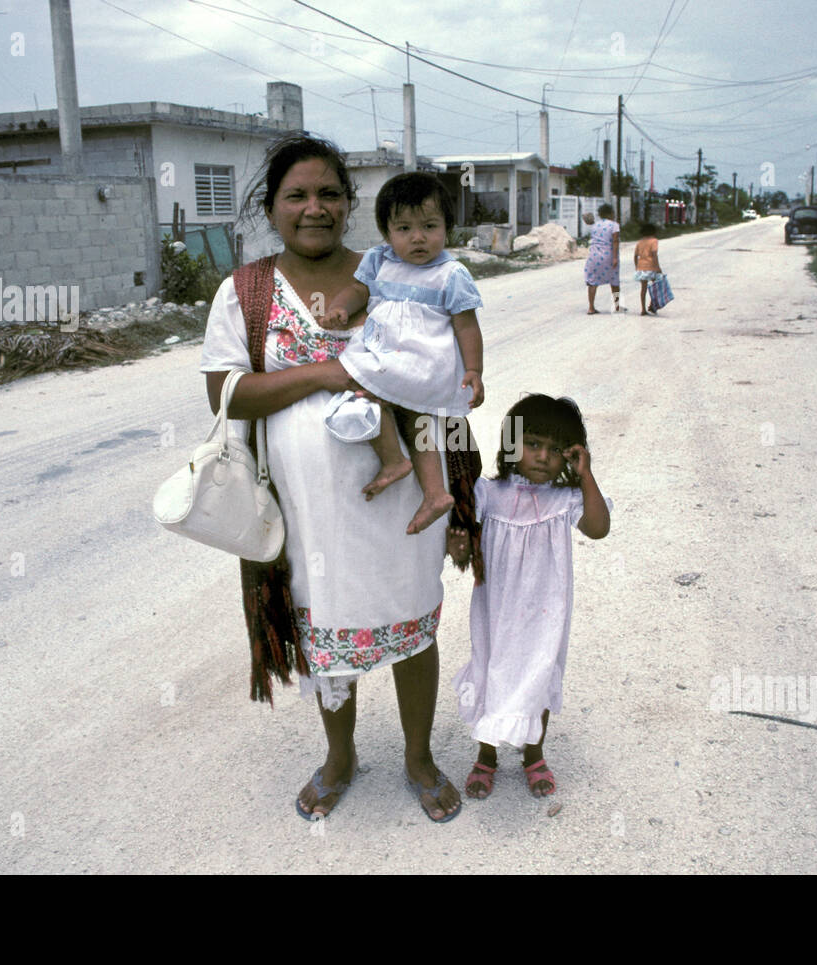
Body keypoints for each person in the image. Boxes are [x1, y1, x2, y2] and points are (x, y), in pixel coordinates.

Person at [198, 135, 469, 823]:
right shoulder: (246, 292)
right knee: (326, 634)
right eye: (297, 195)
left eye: (328, 194)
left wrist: (460, 495)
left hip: (402, 497)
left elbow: (445, 380)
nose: (314, 208)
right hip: (307, 514)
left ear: (350, 205)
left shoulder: (396, 271)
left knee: (413, 622)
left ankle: (418, 755)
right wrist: (325, 372)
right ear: (272, 206)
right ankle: (340, 757)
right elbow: (226, 393)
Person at [447, 395, 612, 799]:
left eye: (556, 450)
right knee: (491, 669)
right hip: (496, 609)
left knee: (538, 673)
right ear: (511, 443)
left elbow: (598, 528)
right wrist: (459, 543)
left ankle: (533, 754)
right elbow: (459, 551)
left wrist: (585, 475)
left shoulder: (565, 500)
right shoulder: (488, 493)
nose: (542, 457)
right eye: (533, 443)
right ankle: (486, 755)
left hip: (545, 611)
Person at [322, 172, 485, 535]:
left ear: (447, 228)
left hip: (422, 361)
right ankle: (434, 492)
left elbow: (466, 326)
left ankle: (397, 463)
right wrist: (340, 308)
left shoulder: (451, 273)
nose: (418, 237)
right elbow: (358, 291)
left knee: (377, 398)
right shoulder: (380, 261)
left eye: (429, 226)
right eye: (404, 228)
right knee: (412, 418)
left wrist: (473, 370)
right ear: (387, 232)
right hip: (387, 353)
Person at [583, 203, 623, 314]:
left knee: (592, 282)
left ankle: (591, 307)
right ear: (610, 213)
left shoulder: (595, 225)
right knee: (614, 281)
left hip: (593, 256)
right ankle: (617, 306)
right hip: (608, 255)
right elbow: (615, 241)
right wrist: (615, 257)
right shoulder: (614, 225)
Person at [633, 223, 663, 316]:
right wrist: (658, 267)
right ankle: (651, 305)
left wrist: (637, 266)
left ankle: (643, 309)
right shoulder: (654, 241)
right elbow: (654, 255)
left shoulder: (639, 242)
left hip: (641, 267)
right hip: (651, 267)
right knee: (655, 287)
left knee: (643, 289)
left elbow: (635, 256)